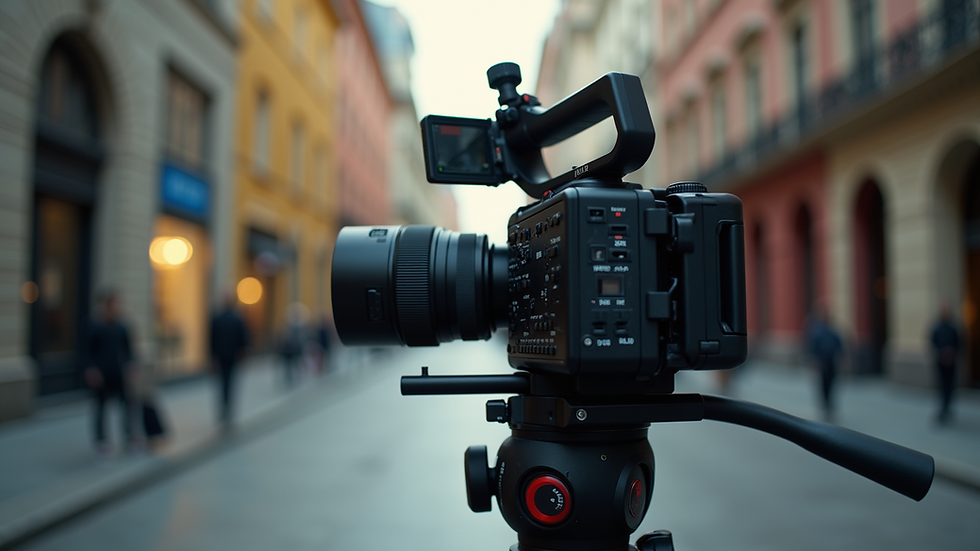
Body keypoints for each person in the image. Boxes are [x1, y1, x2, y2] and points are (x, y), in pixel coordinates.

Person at [85, 291, 135, 457]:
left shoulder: (121, 327)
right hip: (102, 374)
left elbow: (128, 350)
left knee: (126, 406)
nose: (116, 308)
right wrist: (91, 369)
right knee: (101, 408)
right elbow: (87, 352)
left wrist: (131, 366)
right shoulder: (95, 326)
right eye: (113, 305)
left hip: (119, 372)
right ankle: (101, 442)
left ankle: (129, 438)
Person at [210, 290, 249, 428]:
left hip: (222, 356)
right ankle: (228, 410)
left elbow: (211, 340)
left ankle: (224, 410)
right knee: (230, 384)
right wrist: (243, 354)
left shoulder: (218, 318)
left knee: (222, 384)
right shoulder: (236, 319)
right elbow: (243, 340)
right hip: (232, 356)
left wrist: (213, 357)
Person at [807, 309, 843, 422]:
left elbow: (839, 347)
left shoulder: (833, 333)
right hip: (822, 364)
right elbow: (813, 348)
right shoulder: (818, 333)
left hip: (832, 364)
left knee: (831, 386)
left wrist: (842, 360)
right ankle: (824, 407)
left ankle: (829, 407)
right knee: (823, 386)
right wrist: (814, 362)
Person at [930, 301, 960, 425]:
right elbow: (933, 342)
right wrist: (941, 353)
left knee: (950, 386)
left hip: (951, 363)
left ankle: (947, 407)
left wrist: (952, 354)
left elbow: (959, 344)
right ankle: (942, 409)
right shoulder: (936, 327)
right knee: (941, 386)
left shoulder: (953, 327)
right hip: (940, 363)